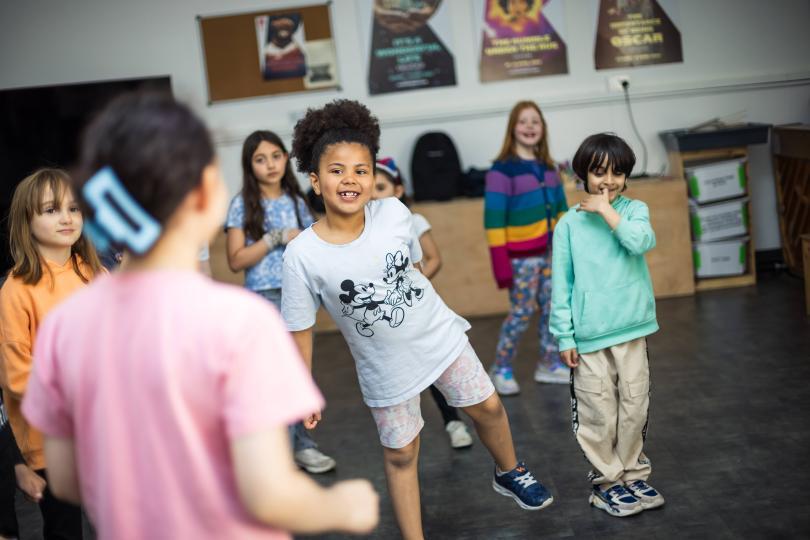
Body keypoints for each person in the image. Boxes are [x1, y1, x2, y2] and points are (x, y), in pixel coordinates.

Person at [20, 92, 378, 539]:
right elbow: (269, 495)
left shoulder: (65, 326)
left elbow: (67, 478)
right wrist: (343, 506)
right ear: (208, 195)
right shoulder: (241, 323)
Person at [283, 99, 553, 539]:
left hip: (438, 337)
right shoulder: (302, 254)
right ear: (315, 180)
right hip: (384, 367)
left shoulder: (394, 213)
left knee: (487, 407)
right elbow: (300, 328)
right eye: (336, 170)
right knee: (402, 453)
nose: (350, 179)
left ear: (373, 176)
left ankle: (509, 471)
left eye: (361, 170)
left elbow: (411, 268)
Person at [550, 132, 665, 517]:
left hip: (631, 330)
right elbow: (561, 284)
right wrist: (564, 336)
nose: (608, 181)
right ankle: (607, 483)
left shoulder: (634, 210)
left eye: (617, 173)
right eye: (599, 172)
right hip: (589, 338)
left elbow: (640, 242)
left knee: (634, 406)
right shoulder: (568, 225)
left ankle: (633, 474)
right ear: (583, 174)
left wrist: (606, 211)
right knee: (597, 411)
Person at [225, 130, 336, 474]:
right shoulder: (241, 204)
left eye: (276, 156)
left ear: (286, 158)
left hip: (297, 293)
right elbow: (235, 260)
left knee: (297, 373)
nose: (270, 165)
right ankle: (282, 457)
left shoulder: (297, 201)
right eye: (260, 159)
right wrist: (275, 237)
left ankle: (300, 447)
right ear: (249, 166)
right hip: (263, 297)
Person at [0, 168, 102, 539]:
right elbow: (16, 377)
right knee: (67, 531)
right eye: (51, 210)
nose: (66, 218)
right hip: (52, 444)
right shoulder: (16, 289)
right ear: (26, 221)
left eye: (73, 208)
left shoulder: (95, 274)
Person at [371, 157, 473, 450]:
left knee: (435, 368)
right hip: (387, 320)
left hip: (417, 311)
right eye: (371, 188)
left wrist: (409, 285)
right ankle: (405, 434)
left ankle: (453, 421)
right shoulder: (365, 229)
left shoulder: (413, 221)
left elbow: (434, 258)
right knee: (402, 374)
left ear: (398, 189)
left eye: (382, 187)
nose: (375, 194)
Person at [484, 100, 570, 395]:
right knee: (521, 313)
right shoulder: (501, 171)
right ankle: (501, 368)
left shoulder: (549, 168)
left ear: (543, 128)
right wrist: (501, 264)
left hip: (550, 254)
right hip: (520, 260)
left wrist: (566, 248)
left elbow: (561, 210)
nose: (530, 127)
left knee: (552, 309)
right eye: (523, 121)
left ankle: (549, 363)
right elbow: (494, 221)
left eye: (535, 121)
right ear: (513, 128)